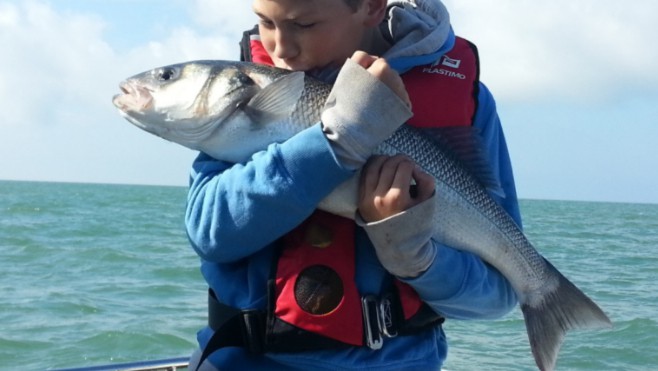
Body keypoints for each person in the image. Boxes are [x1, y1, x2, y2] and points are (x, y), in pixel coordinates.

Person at [186, 0, 522, 369]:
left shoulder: (470, 99)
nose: (280, 50)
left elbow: (498, 293)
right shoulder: (247, 90)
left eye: (305, 24)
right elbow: (211, 233)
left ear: (372, 7)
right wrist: (335, 142)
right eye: (265, 22)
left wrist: (414, 255)